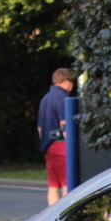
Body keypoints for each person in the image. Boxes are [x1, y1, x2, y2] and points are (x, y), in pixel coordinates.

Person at [38, 68, 76, 205]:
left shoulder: (45, 98)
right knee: (67, 182)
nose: (72, 87)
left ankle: (51, 215)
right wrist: (71, 144)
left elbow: (40, 128)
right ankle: (67, 211)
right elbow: (65, 125)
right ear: (65, 81)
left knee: (53, 184)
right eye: (71, 82)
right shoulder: (62, 98)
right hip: (61, 145)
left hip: (47, 145)